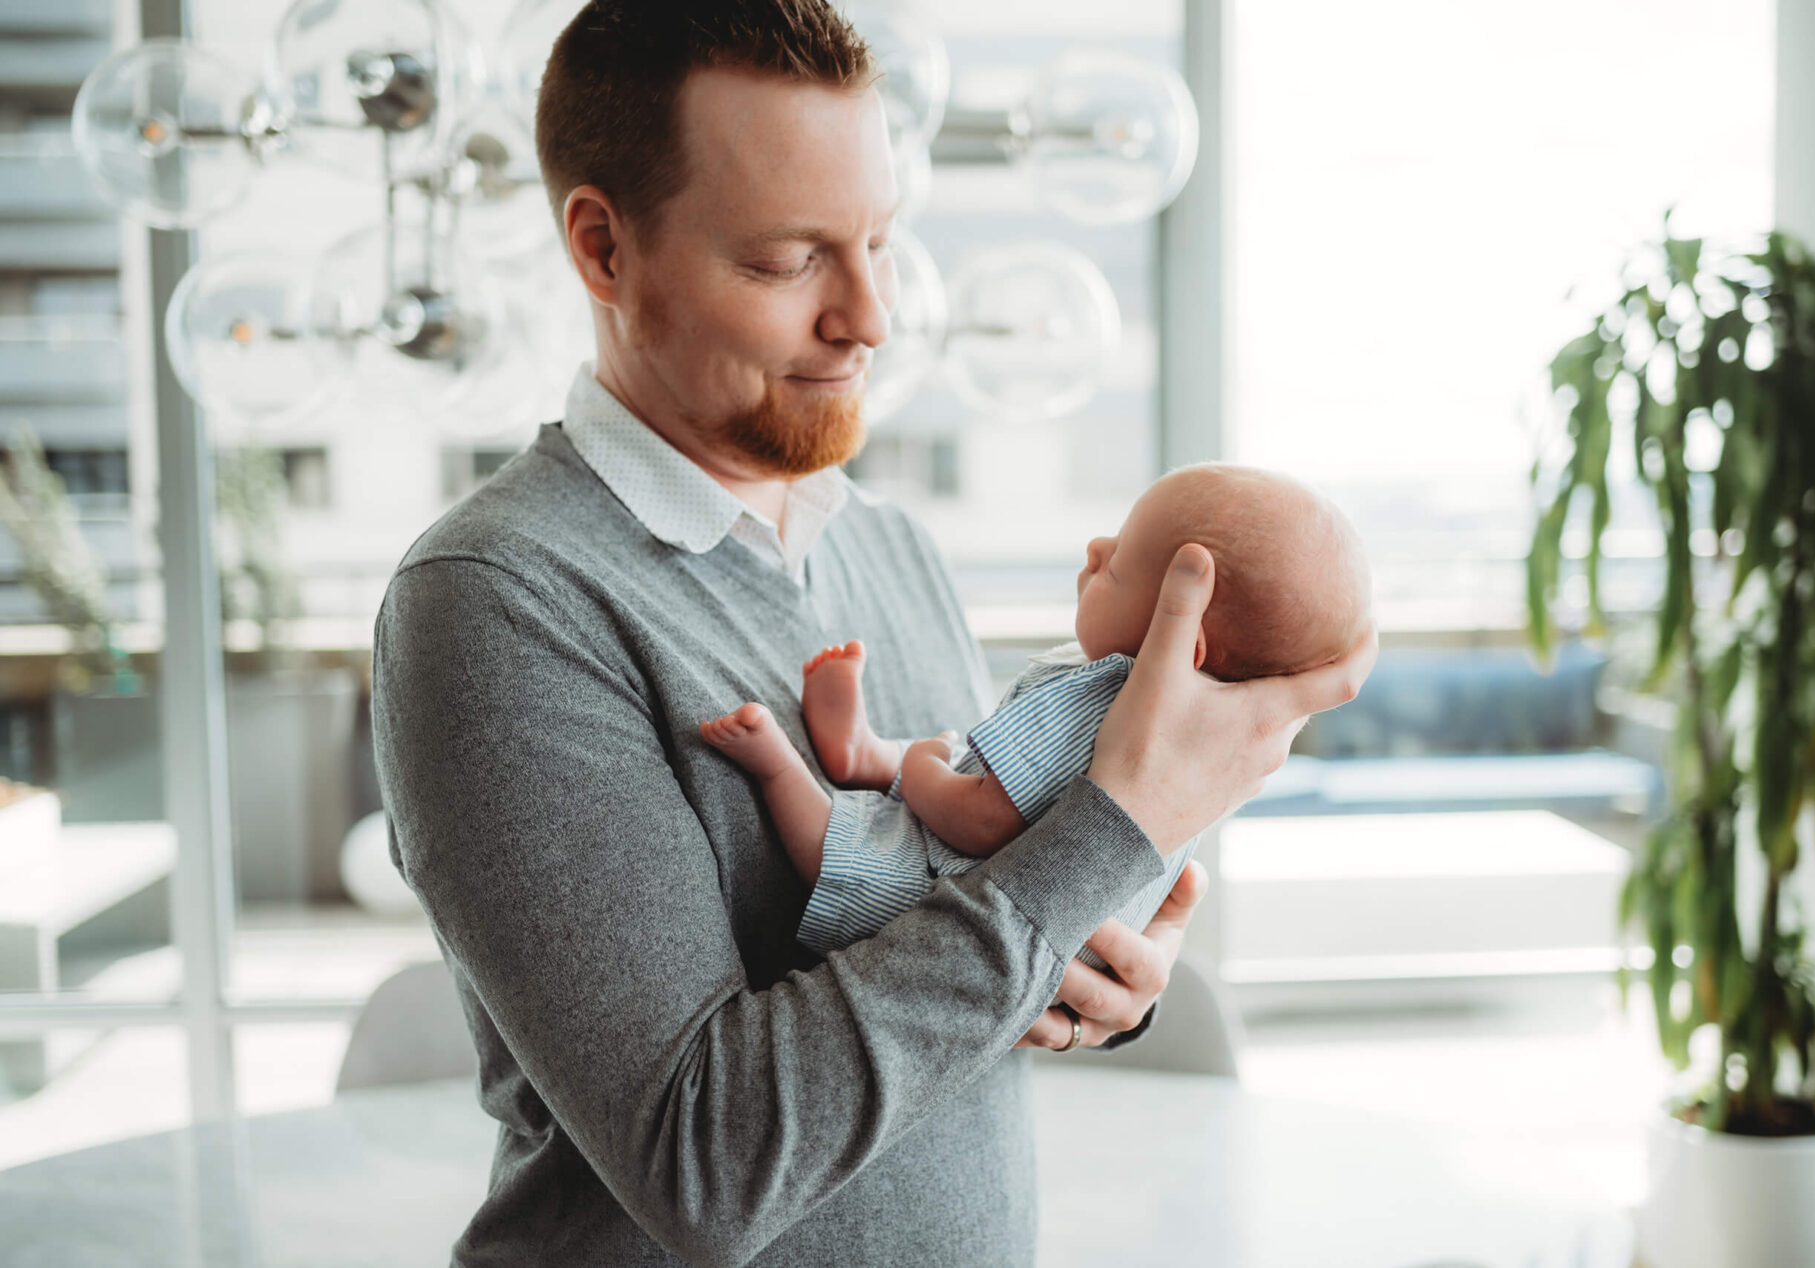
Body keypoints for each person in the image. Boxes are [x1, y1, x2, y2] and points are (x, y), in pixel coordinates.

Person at [369, 3, 1378, 1265]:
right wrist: (1100, 836)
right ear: (602, 247)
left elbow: (970, 925)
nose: (871, 318)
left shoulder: (887, 547)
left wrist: (1098, 969)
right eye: (790, 261)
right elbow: (705, 1159)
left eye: (881, 243)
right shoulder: (500, 598)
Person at [699, 464, 1372, 968]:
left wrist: (918, 769)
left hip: (944, 902)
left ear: (1182, 641)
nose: (1094, 552)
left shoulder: (1102, 700)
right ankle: (859, 751)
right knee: (957, 748)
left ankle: (783, 764)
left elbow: (983, 814)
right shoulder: (1189, 745)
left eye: (1118, 567)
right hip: (1032, 928)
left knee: (838, 850)